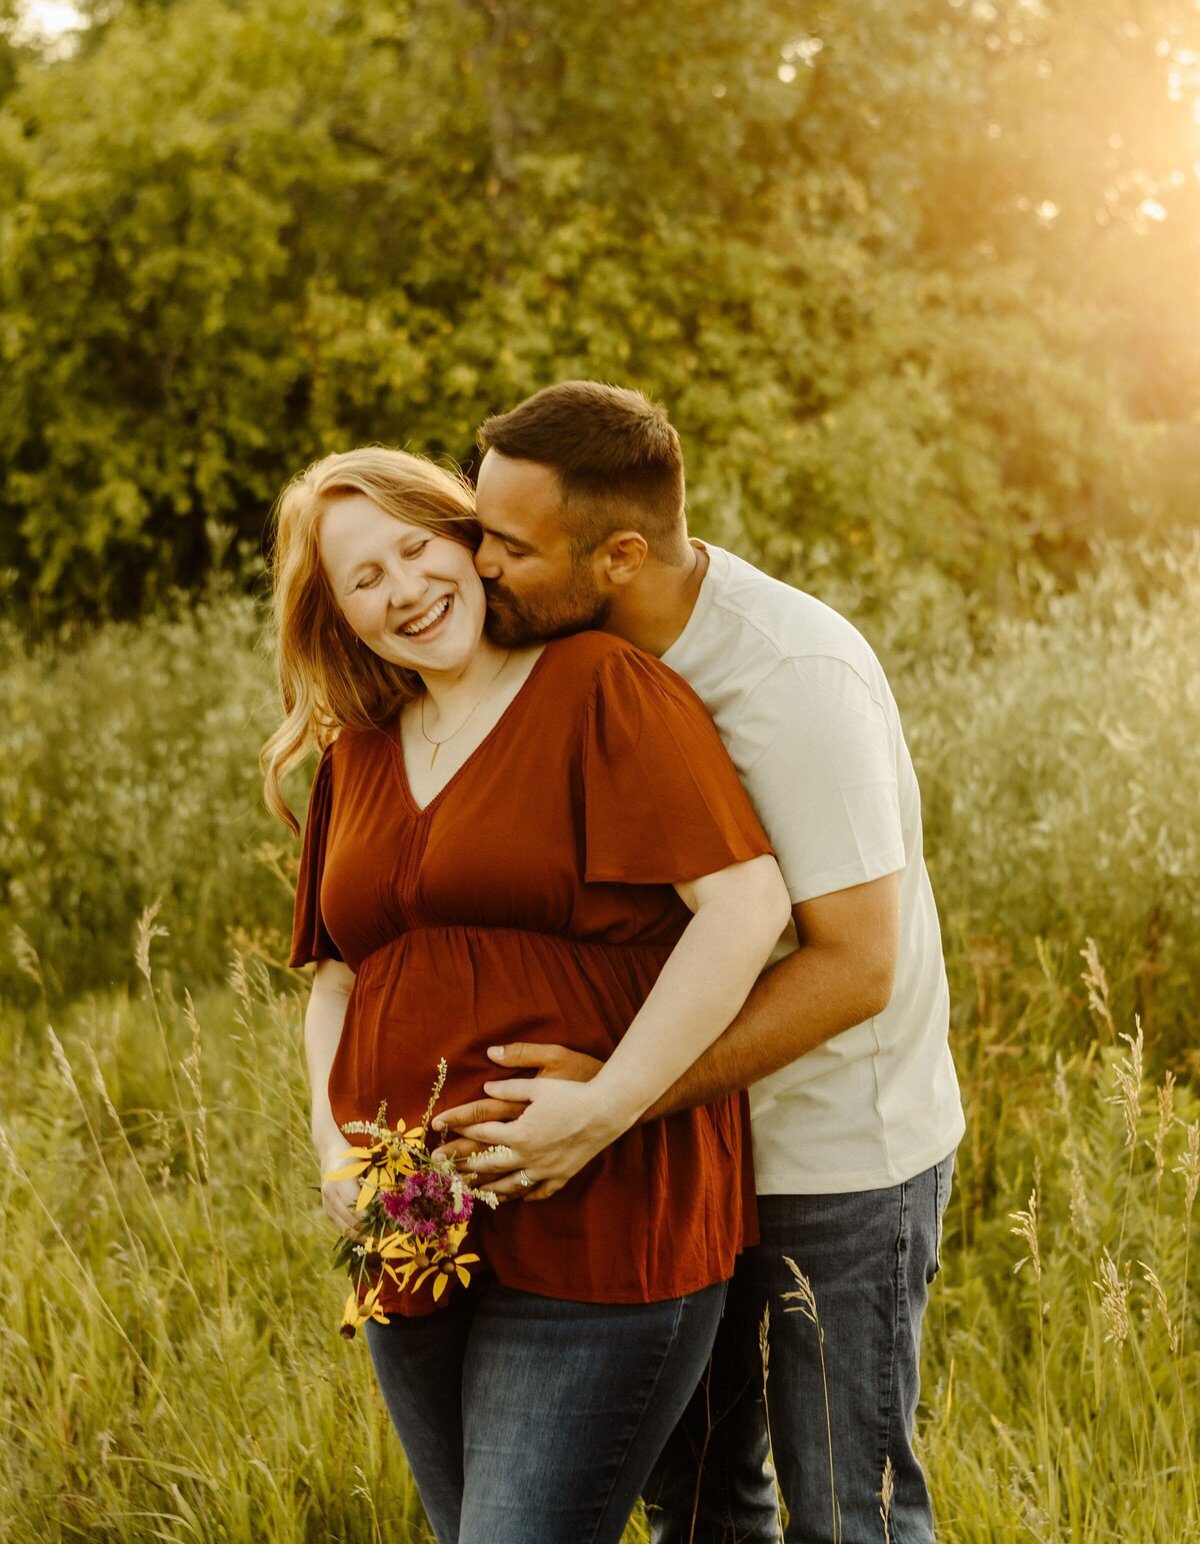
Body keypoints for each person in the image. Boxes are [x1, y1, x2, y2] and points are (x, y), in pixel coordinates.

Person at [431, 382, 965, 1544]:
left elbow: (854, 968)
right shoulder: (575, 659)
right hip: (684, 1158)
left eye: (510, 546)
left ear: (620, 552)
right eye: (479, 529)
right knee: (705, 1503)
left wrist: (613, 1101)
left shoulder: (792, 680)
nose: (479, 566)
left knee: (847, 1514)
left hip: (832, 1165)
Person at [259, 444, 791, 1544]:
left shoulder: (599, 688)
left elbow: (746, 907)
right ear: (336, 615)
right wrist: (334, 1152)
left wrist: (607, 1106)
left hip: (602, 1212)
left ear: (467, 541)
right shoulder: (354, 754)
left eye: (417, 547)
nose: (404, 588)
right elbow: (337, 982)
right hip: (410, 1235)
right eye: (364, 579)